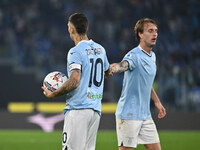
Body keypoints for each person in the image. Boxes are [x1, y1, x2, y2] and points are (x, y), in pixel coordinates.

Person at [42, 13, 110, 150]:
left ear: (71, 29)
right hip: (95, 111)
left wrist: (53, 94)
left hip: (78, 110)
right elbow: (107, 71)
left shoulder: (75, 52)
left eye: (68, 26)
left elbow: (74, 81)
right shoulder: (100, 49)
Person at [110, 18, 166, 150]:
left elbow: (146, 82)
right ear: (140, 34)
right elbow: (122, 65)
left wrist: (157, 102)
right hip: (128, 115)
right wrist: (112, 69)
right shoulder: (134, 55)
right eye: (150, 31)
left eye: (156, 31)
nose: (155, 34)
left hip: (145, 115)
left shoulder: (152, 56)